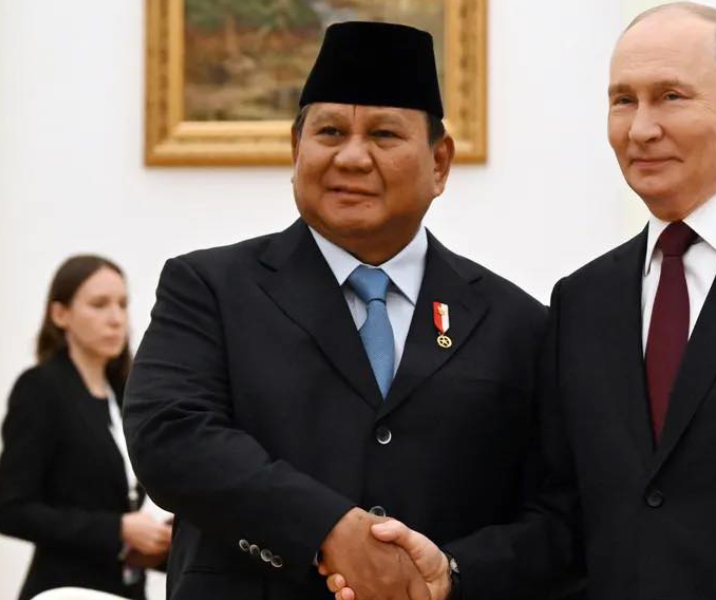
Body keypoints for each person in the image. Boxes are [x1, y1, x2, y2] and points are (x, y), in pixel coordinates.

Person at [331, 3, 716, 600]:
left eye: (671, 96)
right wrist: (452, 574)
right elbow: (566, 521)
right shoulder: (583, 301)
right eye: (622, 100)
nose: (641, 128)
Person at [123, 21, 580, 600]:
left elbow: (559, 516)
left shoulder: (517, 324)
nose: (352, 157)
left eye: (384, 135)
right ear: (296, 150)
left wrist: (450, 574)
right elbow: (171, 436)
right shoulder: (211, 289)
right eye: (330, 132)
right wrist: (326, 529)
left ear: (440, 163)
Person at [0, 255, 171, 600]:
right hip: (64, 589)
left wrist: (158, 541)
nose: (116, 318)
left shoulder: (126, 393)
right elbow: (9, 509)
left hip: (125, 589)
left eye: (123, 304)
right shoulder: (40, 389)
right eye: (99, 304)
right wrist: (118, 529)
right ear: (60, 314)